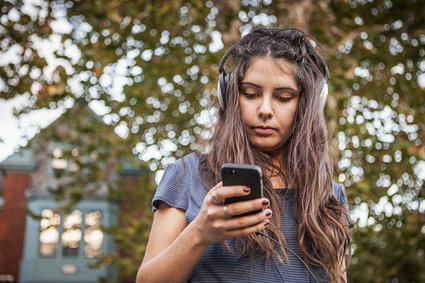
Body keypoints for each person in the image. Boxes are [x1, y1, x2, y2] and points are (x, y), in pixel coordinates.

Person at [136, 27, 353, 283]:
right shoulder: (188, 174)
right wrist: (199, 233)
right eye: (250, 94)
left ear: (307, 106)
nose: (264, 109)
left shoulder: (329, 194)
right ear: (230, 95)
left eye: (283, 98)